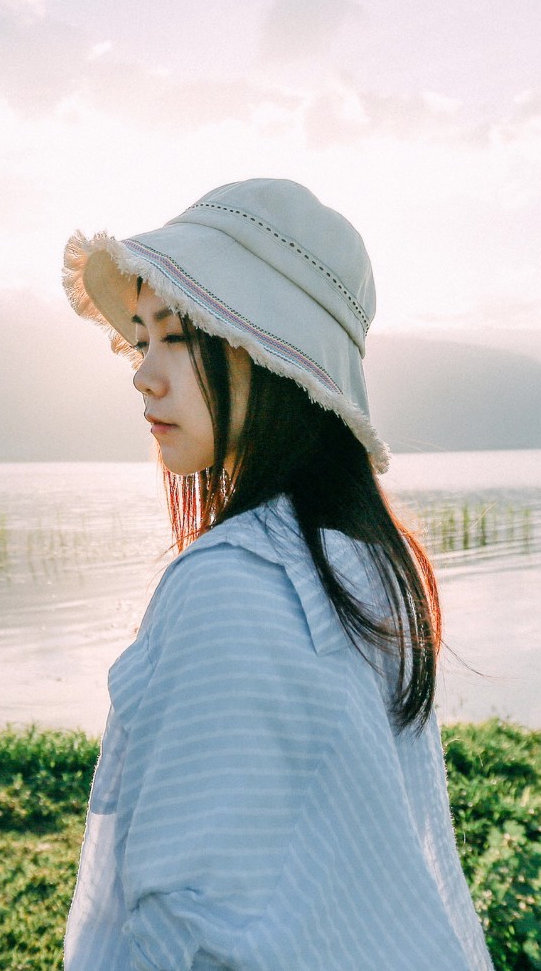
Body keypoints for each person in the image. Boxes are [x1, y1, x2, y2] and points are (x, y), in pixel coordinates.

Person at [59, 178, 493, 970]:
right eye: (140, 339)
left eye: (176, 338)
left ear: (264, 354)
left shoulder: (231, 581)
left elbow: (180, 925)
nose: (142, 373)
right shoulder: (365, 565)